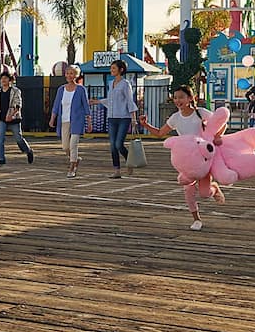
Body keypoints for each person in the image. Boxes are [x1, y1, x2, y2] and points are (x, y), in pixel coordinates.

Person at [139, 85, 226, 231]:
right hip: (186, 160)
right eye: (175, 97)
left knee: (205, 194)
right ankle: (196, 219)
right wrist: (145, 125)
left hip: (203, 158)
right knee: (188, 189)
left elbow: (221, 123)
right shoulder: (175, 118)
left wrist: (217, 136)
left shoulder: (201, 113)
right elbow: (160, 133)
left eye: (181, 97)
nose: (177, 100)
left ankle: (214, 189)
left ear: (190, 98)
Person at [92, 60, 138, 178]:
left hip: (124, 117)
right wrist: (97, 101)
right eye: (111, 68)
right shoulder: (111, 83)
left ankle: (130, 161)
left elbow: (129, 101)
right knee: (112, 145)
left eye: (113, 68)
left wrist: (133, 118)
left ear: (121, 70)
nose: (111, 70)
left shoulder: (125, 84)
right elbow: (110, 100)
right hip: (111, 118)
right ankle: (116, 170)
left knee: (118, 144)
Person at [48, 65, 91, 178]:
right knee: (65, 147)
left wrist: (89, 121)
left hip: (77, 120)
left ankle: (72, 167)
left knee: (73, 145)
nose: (69, 75)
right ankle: (75, 158)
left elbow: (86, 106)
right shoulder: (61, 89)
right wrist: (52, 118)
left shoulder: (81, 89)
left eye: (71, 73)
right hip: (64, 120)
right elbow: (56, 105)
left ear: (76, 75)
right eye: (67, 73)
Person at [0, 71, 33, 166]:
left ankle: (28, 151)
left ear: (10, 80)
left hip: (13, 118)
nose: (3, 80)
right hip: (2, 119)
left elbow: (18, 104)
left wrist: (12, 115)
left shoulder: (15, 91)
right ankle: (1, 159)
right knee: (0, 139)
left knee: (18, 138)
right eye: (2, 78)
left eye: (5, 78)